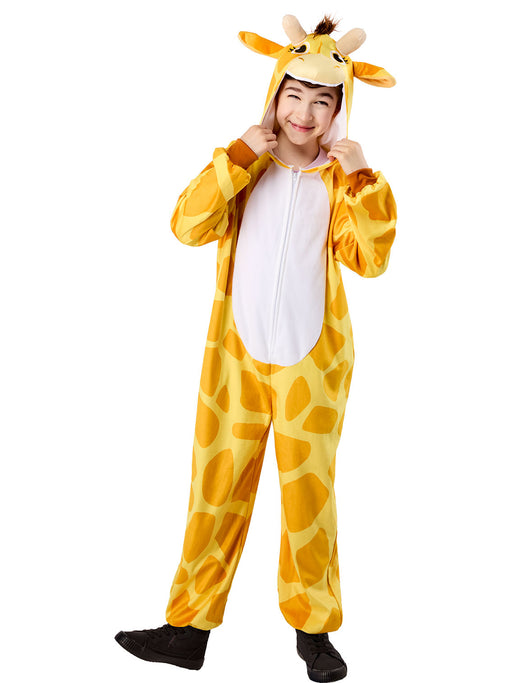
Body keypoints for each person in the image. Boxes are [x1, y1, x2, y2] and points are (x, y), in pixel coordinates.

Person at [115, 14, 397, 682]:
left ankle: (314, 633)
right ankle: (187, 630)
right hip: (234, 361)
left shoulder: (340, 179)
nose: (305, 112)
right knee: (215, 486)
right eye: (294, 94)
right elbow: (187, 225)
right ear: (274, 94)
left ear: (339, 110)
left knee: (309, 498)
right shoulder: (247, 168)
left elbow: (371, 260)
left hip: (313, 366)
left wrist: (363, 177)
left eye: (322, 100)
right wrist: (238, 156)